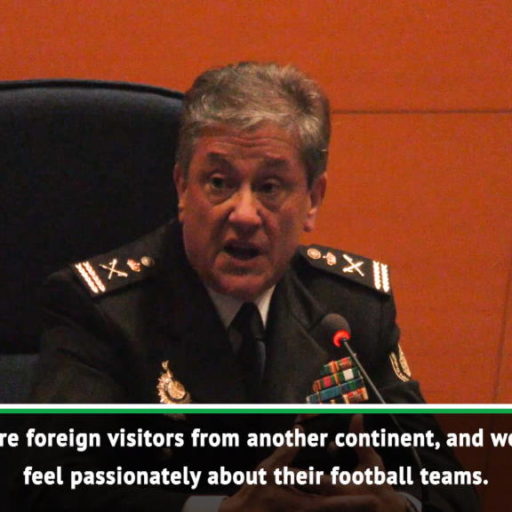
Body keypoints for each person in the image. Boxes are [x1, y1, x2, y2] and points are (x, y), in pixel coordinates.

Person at [24, 62, 478, 511]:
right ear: (182, 188)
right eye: (219, 182)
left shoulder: (350, 311)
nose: (243, 214)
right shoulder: (101, 311)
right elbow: (47, 490)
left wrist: (400, 507)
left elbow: (450, 489)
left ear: (313, 200)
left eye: (270, 187)